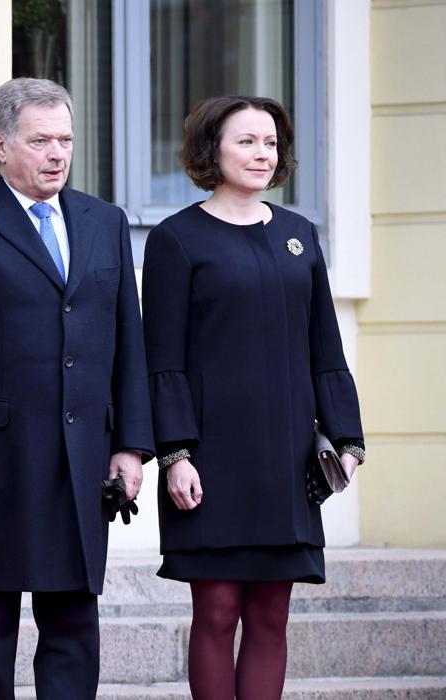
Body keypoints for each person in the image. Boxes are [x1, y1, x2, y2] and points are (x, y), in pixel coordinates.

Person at [0, 78, 155, 700]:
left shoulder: (104, 221)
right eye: (40, 140)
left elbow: (128, 337)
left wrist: (130, 445)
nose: (57, 154)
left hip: (82, 461)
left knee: (74, 629)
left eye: (66, 140)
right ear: (0, 145)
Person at [142, 96, 365, 700]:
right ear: (212, 148)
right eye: (246, 141)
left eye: (269, 142)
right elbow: (161, 359)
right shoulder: (175, 239)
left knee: (270, 616)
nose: (262, 153)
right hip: (210, 460)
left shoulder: (299, 234)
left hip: (288, 460)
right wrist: (175, 454)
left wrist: (346, 439)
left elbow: (325, 345)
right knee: (216, 613)